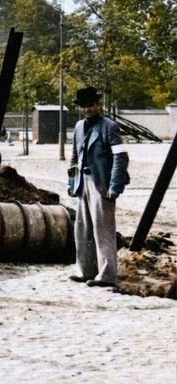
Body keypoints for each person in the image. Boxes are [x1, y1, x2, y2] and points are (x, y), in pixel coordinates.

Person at [68, 86, 129, 289]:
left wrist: (115, 186)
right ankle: (84, 270)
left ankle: (107, 274)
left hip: (101, 183)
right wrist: (71, 182)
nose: (88, 109)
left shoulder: (109, 127)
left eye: (91, 105)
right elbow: (74, 157)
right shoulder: (78, 127)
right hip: (82, 183)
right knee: (82, 228)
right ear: (80, 108)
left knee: (103, 229)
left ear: (98, 105)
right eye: (84, 106)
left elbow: (121, 157)